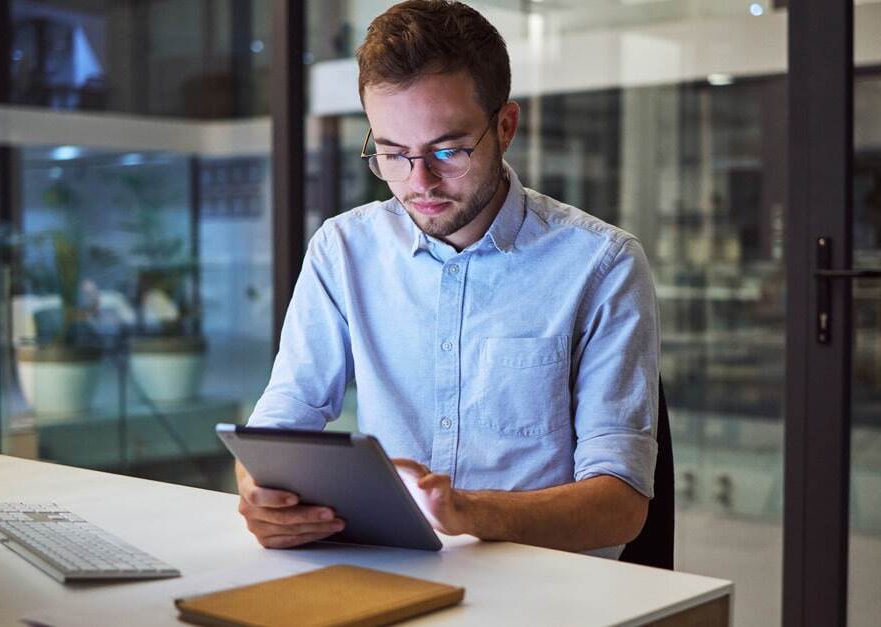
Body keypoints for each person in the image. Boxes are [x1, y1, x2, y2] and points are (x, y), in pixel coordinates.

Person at [236, 0, 659, 559]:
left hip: (546, 584)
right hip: (386, 567)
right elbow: (280, 425)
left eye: (448, 150)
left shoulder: (601, 265)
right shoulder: (343, 250)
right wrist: (260, 493)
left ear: (505, 127)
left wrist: (463, 512)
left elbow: (621, 506)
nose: (420, 182)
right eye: (391, 153)